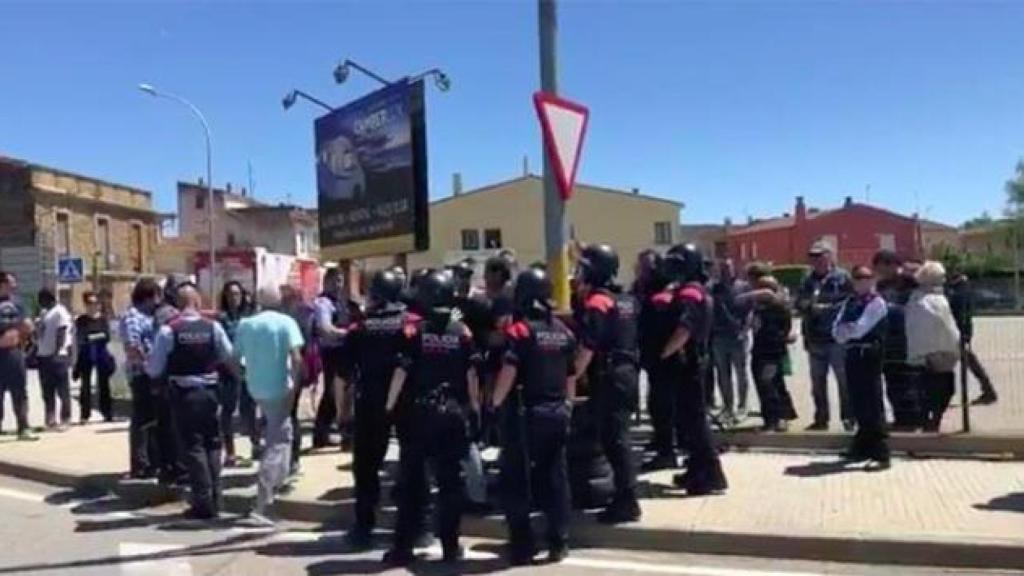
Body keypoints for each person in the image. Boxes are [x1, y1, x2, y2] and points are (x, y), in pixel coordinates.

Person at [383, 270, 480, 566]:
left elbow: (401, 371)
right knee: (450, 484)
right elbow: (472, 374)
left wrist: (389, 407)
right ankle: (450, 548)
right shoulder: (462, 331)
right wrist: (475, 408)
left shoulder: (416, 331)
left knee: (412, 482)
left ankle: (402, 548)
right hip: (452, 414)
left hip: (419, 414)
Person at [492, 267, 575, 565]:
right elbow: (571, 374)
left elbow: (509, 370)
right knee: (555, 478)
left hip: (525, 414)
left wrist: (495, 403)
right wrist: (567, 405)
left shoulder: (520, 330)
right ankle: (558, 542)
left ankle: (522, 545)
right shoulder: (563, 332)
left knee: (516, 479)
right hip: (557, 412)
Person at [146, 283, 236, 519]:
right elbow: (229, 357)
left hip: (184, 394)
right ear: (197, 303)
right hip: (210, 393)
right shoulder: (213, 327)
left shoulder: (169, 330)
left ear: (177, 305)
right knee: (213, 444)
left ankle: (203, 502)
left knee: (194, 447)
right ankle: (217, 498)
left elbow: (154, 369)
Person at [342, 269, 418, 548]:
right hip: (407, 402)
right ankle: (415, 528)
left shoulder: (359, 326)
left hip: (370, 401)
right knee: (411, 465)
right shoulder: (412, 324)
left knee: (366, 468)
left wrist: (343, 411)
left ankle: (364, 527)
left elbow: (345, 375)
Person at [573, 243, 641, 523]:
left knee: (615, 441)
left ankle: (627, 501)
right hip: (627, 372)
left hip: (610, 376)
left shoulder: (598, 303)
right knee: (619, 439)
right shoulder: (627, 299)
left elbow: (589, 346)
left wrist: (572, 375)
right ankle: (625, 495)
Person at [658, 244, 728, 495]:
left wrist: (664, 352)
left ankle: (710, 474)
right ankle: (697, 469)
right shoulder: (694, 290)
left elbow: (684, 328)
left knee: (695, 421)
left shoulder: (690, 293)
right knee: (689, 421)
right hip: (692, 363)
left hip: (689, 364)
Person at [233, 285, 305, 527]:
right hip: (279, 388)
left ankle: (277, 484)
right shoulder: (287, 323)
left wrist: (244, 377)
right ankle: (263, 502)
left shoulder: (246, 324)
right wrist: (295, 387)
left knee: (282, 434)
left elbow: (233, 359)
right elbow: (296, 358)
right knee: (277, 442)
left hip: (256, 388)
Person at [832, 265, 890, 470]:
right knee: (857, 401)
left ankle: (881, 453)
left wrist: (847, 330)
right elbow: (836, 331)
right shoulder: (849, 302)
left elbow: (860, 328)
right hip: (852, 354)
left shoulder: (877, 303)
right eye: (857, 278)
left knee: (872, 401)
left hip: (870, 353)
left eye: (866, 278)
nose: (861, 281)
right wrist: (846, 331)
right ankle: (862, 446)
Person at [795, 240, 854, 431]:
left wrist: (828, 309)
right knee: (817, 383)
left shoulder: (842, 277)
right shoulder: (807, 280)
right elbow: (798, 303)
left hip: (837, 338)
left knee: (844, 382)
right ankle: (821, 419)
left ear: (829, 256)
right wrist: (809, 306)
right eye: (813, 257)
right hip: (814, 338)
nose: (816, 260)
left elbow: (850, 301)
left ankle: (849, 418)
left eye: (820, 256)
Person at [906, 262, 961, 432]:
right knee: (937, 388)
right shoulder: (921, 300)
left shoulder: (934, 298)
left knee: (942, 388)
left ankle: (933, 420)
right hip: (932, 352)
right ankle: (929, 422)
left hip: (944, 349)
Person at [873, 251, 923, 430]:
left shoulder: (910, 282)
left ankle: (915, 419)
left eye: (883, 267)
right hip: (888, 339)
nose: (880, 271)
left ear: (893, 265)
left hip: (908, 337)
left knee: (909, 381)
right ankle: (900, 418)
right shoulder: (881, 285)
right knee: (892, 381)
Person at [121, 279, 161, 477]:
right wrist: (148, 365)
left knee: (152, 420)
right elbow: (132, 346)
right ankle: (140, 464)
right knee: (141, 421)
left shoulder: (149, 317)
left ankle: (153, 462)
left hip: (152, 373)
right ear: (148, 296)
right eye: (156, 296)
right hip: (141, 374)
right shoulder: (133, 316)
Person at [747, 276, 798, 432]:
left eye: (765, 288)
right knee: (766, 386)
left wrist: (784, 339)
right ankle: (777, 416)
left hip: (772, 353)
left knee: (770, 386)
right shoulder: (757, 308)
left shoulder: (779, 309)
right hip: (759, 351)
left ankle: (775, 419)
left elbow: (782, 331)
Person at [217, 281, 259, 467]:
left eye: (237, 294)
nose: (234, 298)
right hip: (227, 370)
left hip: (248, 368)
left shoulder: (249, 318)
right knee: (227, 411)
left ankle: (256, 443)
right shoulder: (222, 319)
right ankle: (230, 452)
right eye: (230, 294)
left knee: (248, 410)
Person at [708, 258, 752, 424]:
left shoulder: (743, 286)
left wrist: (745, 330)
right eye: (723, 268)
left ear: (734, 268)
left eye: (729, 267)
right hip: (719, 337)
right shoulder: (714, 288)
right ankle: (728, 406)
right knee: (723, 374)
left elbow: (750, 311)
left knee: (741, 372)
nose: (726, 270)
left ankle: (742, 406)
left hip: (738, 337)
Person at [312, 267, 351, 449]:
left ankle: (324, 433)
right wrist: (347, 333)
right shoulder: (323, 303)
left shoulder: (341, 302)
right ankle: (321, 434)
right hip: (331, 353)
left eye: (340, 280)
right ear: (326, 282)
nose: (338, 284)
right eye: (335, 280)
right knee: (332, 393)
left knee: (339, 393)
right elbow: (325, 328)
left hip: (344, 352)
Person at [946, 269, 998, 406]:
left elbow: (958, 311)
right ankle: (988, 390)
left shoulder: (959, 291)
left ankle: (988, 391)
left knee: (965, 361)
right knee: (968, 361)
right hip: (961, 331)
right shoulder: (962, 289)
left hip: (959, 331)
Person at [0, 272, 36, 441]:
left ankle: (23, 427)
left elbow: (27, 325)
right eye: (10, 283)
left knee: (19, 391)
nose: (14, 286)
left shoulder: (18, 303)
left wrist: (22, 333)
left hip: (14, 353)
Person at [73, 291, 115, 424]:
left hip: (101, 354)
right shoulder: (81, 320)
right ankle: (85, 414)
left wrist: (92, 337)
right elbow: (81, 337)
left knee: (104, 385)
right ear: (86, 304)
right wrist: (95, 337)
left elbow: (107, 336)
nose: (94, 306)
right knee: (85, 385)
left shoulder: (103, 319)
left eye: (96, 303)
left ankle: (107, 412)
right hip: (86, 355)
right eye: (90, 303)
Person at [35, 288, 74, 430]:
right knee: (47, 391)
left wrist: (56, 352)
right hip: (43, 355)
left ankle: (66, 418)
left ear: (48, 298)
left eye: (41, 299)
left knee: (62, 390)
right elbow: (40, 334)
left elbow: (61, 331)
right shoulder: (45, 313)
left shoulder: (60, 311)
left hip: (57, 356)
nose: (40, 303)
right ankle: (50, 419)